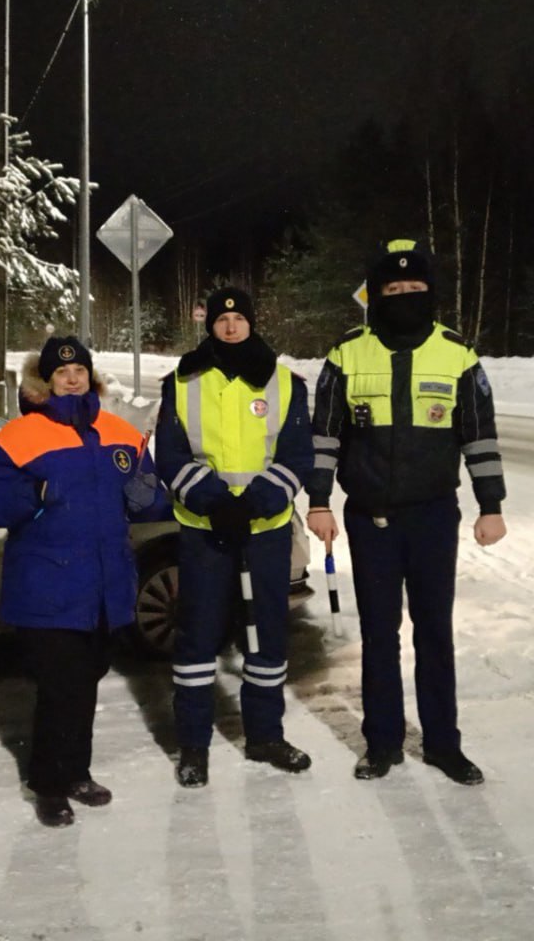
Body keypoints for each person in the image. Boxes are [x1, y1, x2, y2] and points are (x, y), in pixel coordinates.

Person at [306, 239, 507, 786]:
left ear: (429, 294)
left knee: (434, 633)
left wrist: (491, 505)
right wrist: (318, 500)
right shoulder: (346, 354)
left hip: (433, 516)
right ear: (375, 296)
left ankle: (444, 744)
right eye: (392, 290)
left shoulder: (458, 355)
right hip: (368, 517)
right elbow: (324, 435)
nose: (403, 296)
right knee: (378, 633)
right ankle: (383, 742)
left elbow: (479, 437)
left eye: (414, 289)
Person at [0, 336, 166, 827]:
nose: (72, 377)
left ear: (91, 376)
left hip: (105, 586)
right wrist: (38, 491)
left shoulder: (121, 430)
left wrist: (149, 493)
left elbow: (147, 498)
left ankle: (77, 772)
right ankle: (47, 783)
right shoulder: (18, 435)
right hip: (47, 585)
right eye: (61, 372)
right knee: (61, 687)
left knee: (87, 682)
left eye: (79, 369)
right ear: (44, 381)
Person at [155, 286, 315, 788]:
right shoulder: (182, 382)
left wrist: (257, 502)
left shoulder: (286, 383)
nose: (230, 326)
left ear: (251, 323)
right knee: (198, 638)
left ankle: (265, 736)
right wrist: (215, 501)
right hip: (205, 532)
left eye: (239, 318)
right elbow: (172, 455)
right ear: (211, 325)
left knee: (264, 636)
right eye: (222, 319)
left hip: (265, 533)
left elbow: (297, 457)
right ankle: (194, 745)